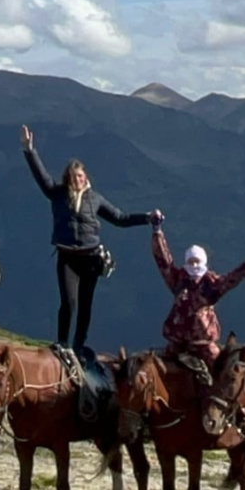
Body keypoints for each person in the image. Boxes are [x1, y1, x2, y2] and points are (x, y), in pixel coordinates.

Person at [20, 124, 158, 349]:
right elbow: (42, 177)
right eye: (74, 176)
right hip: (67, 257)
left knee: (85, 305)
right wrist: (29, 149)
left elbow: (120, 218)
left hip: (91, 258)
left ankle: (78, 346)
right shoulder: (58, 194)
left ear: (86, 178)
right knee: (69, 302)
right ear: (68, 178)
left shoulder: (95, 199)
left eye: (81, 176)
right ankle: (62, 344)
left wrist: (147, 217)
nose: (77, 180)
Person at [150, 212, 245, 383]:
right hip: (177, 342)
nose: (193, 266)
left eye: (197, 262)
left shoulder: (212, 284)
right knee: (153, 370)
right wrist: (157, 231)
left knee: (223, 374)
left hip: (203, 344)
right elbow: (163, 259)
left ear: (204, 262)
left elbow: (234, 277)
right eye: (190, 262)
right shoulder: (178, 279)